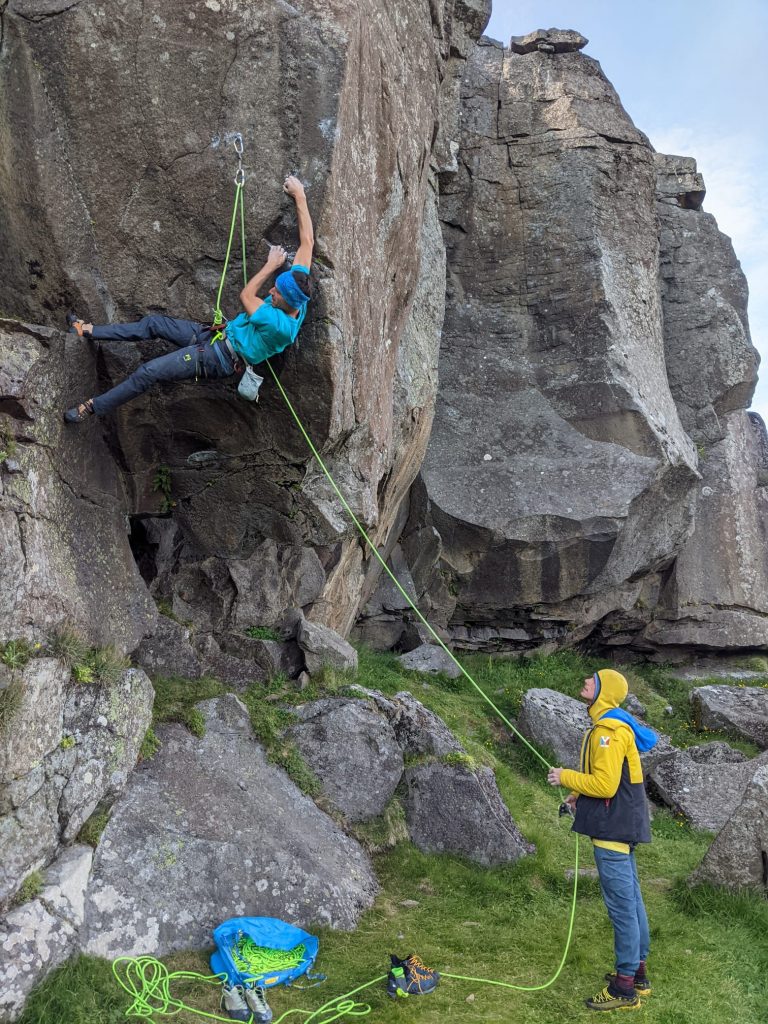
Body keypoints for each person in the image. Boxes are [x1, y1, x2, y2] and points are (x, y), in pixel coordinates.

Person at [63, 175, 314, 423]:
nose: (271, 291)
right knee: (154, 324)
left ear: (289, 301)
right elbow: (307, 243)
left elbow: (247, 296)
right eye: (274, 288)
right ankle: (88, 331)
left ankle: (91, 408)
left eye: (276, 293)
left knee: (148, 372)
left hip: (219, 358)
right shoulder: (299, 290)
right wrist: (299, 195)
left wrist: (271, 266)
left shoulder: (281, 327)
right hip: (217, 335)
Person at [547, 668, 658, 1012]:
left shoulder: (607, 731)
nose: (584, 681)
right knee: (633, 899)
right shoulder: (612, 724)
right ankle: (638, 975)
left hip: (612, 830)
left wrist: (563, 776)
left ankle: (624, 988)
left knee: (622, 908)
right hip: (623, 824)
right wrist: (576, 795)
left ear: (604, 691)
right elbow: (610, 780)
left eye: (592, 679)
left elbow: (607, 786)